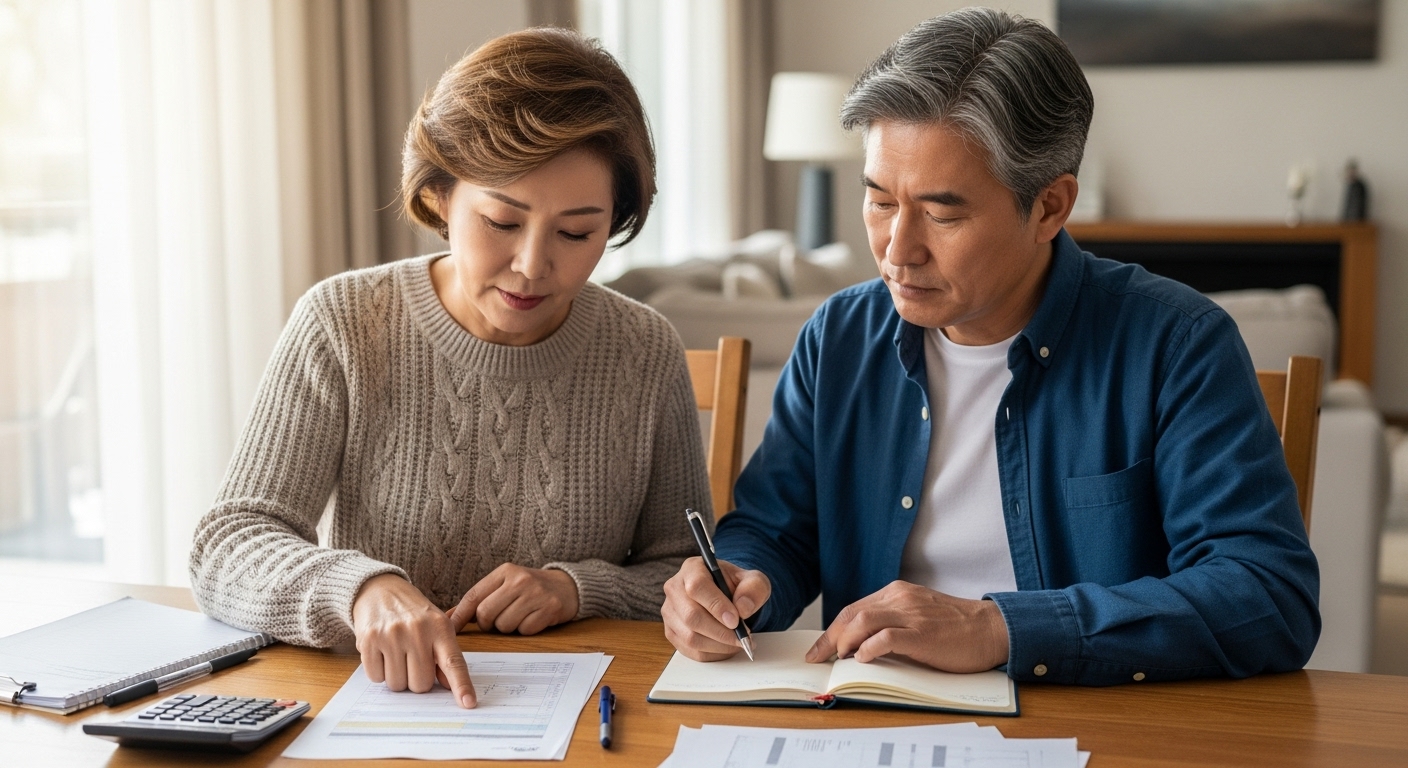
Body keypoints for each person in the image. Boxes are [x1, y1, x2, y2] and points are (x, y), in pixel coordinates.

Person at [661, 8, 1320, 686]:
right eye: (880, 200)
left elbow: (1268, 596)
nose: (897, 249)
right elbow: (776, 531)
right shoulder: (838, 339)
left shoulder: (1177, 344)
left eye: (943, 213)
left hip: (1090, 722)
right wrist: (733, 584)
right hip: (870, 716)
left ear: (1050, 208)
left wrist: (1002, 627)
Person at [190, 28, 710, 709]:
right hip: (372, 715)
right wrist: (361, 589)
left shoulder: (645, 350)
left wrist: (577, 588)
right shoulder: (345, 321)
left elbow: (685, 573)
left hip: (580, 723)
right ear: (439, 196)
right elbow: (229, 544)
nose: (532, 264)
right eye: (501, 221)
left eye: (577, 232)